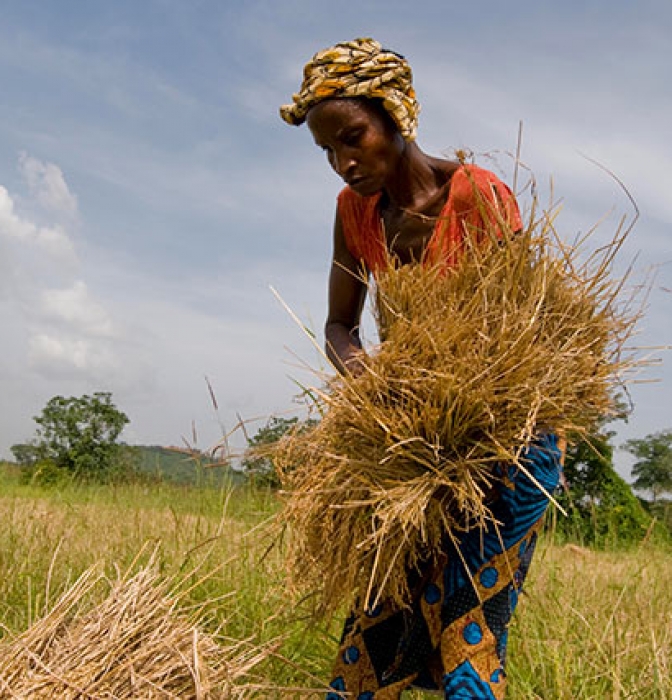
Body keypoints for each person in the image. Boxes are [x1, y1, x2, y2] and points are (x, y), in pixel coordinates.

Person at [280, 38, 562, 700]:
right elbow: (340, 326)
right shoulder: (354, 212)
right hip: (410, 451)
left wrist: (440, 398)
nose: (344, 162)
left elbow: (515, 334)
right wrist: (373, 386)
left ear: (396, 116)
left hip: (503, 450)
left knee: (468, 638)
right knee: (372, 643)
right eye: (327, 151)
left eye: (353, 138)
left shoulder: (478, 196)